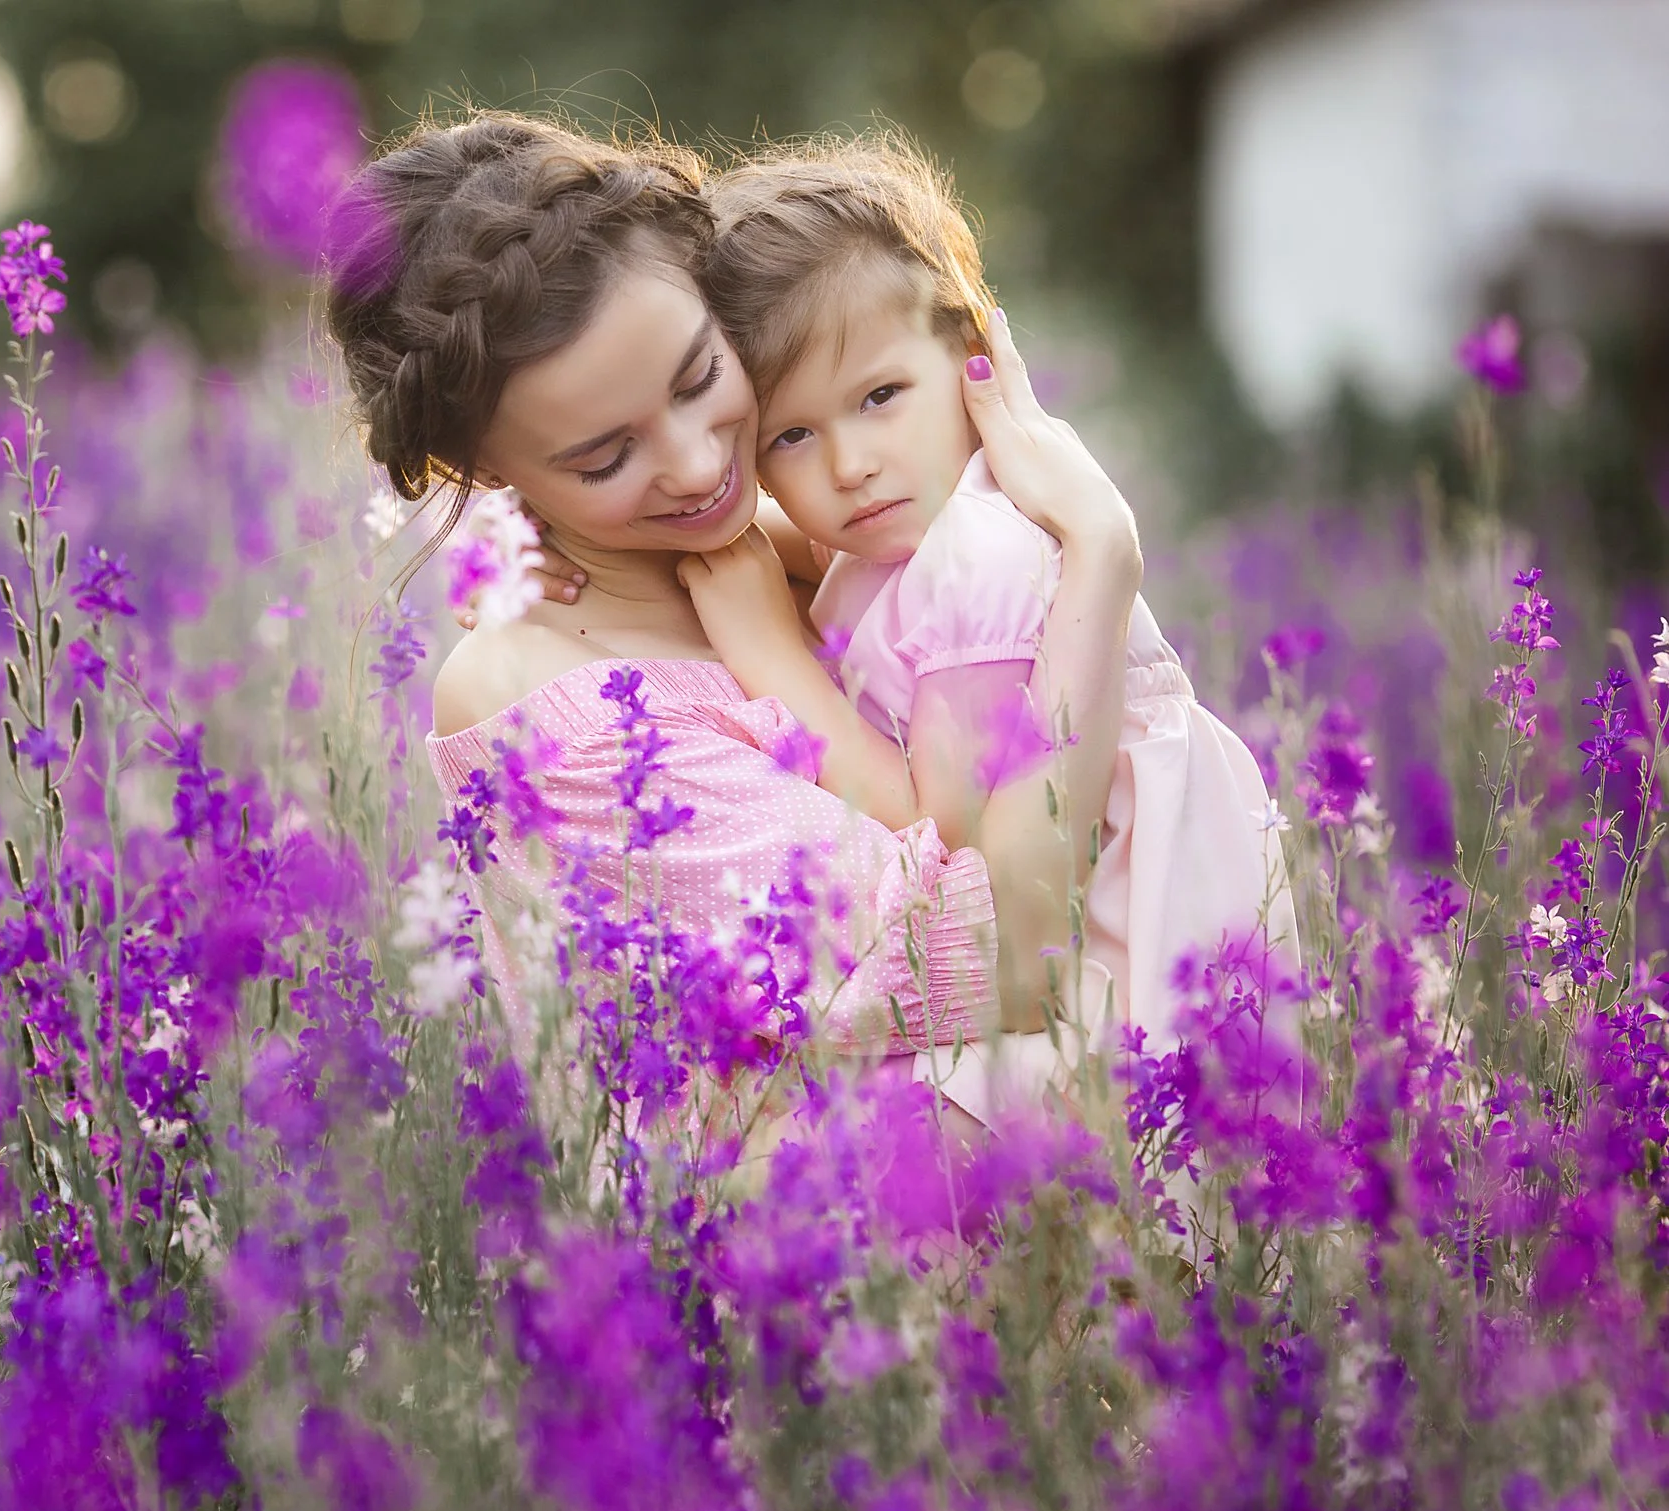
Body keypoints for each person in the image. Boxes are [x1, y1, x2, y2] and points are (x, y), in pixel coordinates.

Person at [324, 114, 1143, 1149]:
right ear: (485, 469)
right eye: (601, 457)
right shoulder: (547, 707)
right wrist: (1101, 561)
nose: (697, 464)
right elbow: (1015, 952)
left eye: (700, 376)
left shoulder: (794, 534)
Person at [686, 136, 1299, 1057]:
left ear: (973, 356)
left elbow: (954, 840)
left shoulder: (981, 553)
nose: (851, 465)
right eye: (792, 437)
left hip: (1122, 972)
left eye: (881, 395)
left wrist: (774, 656)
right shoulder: (903, 526)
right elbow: (793, 560)